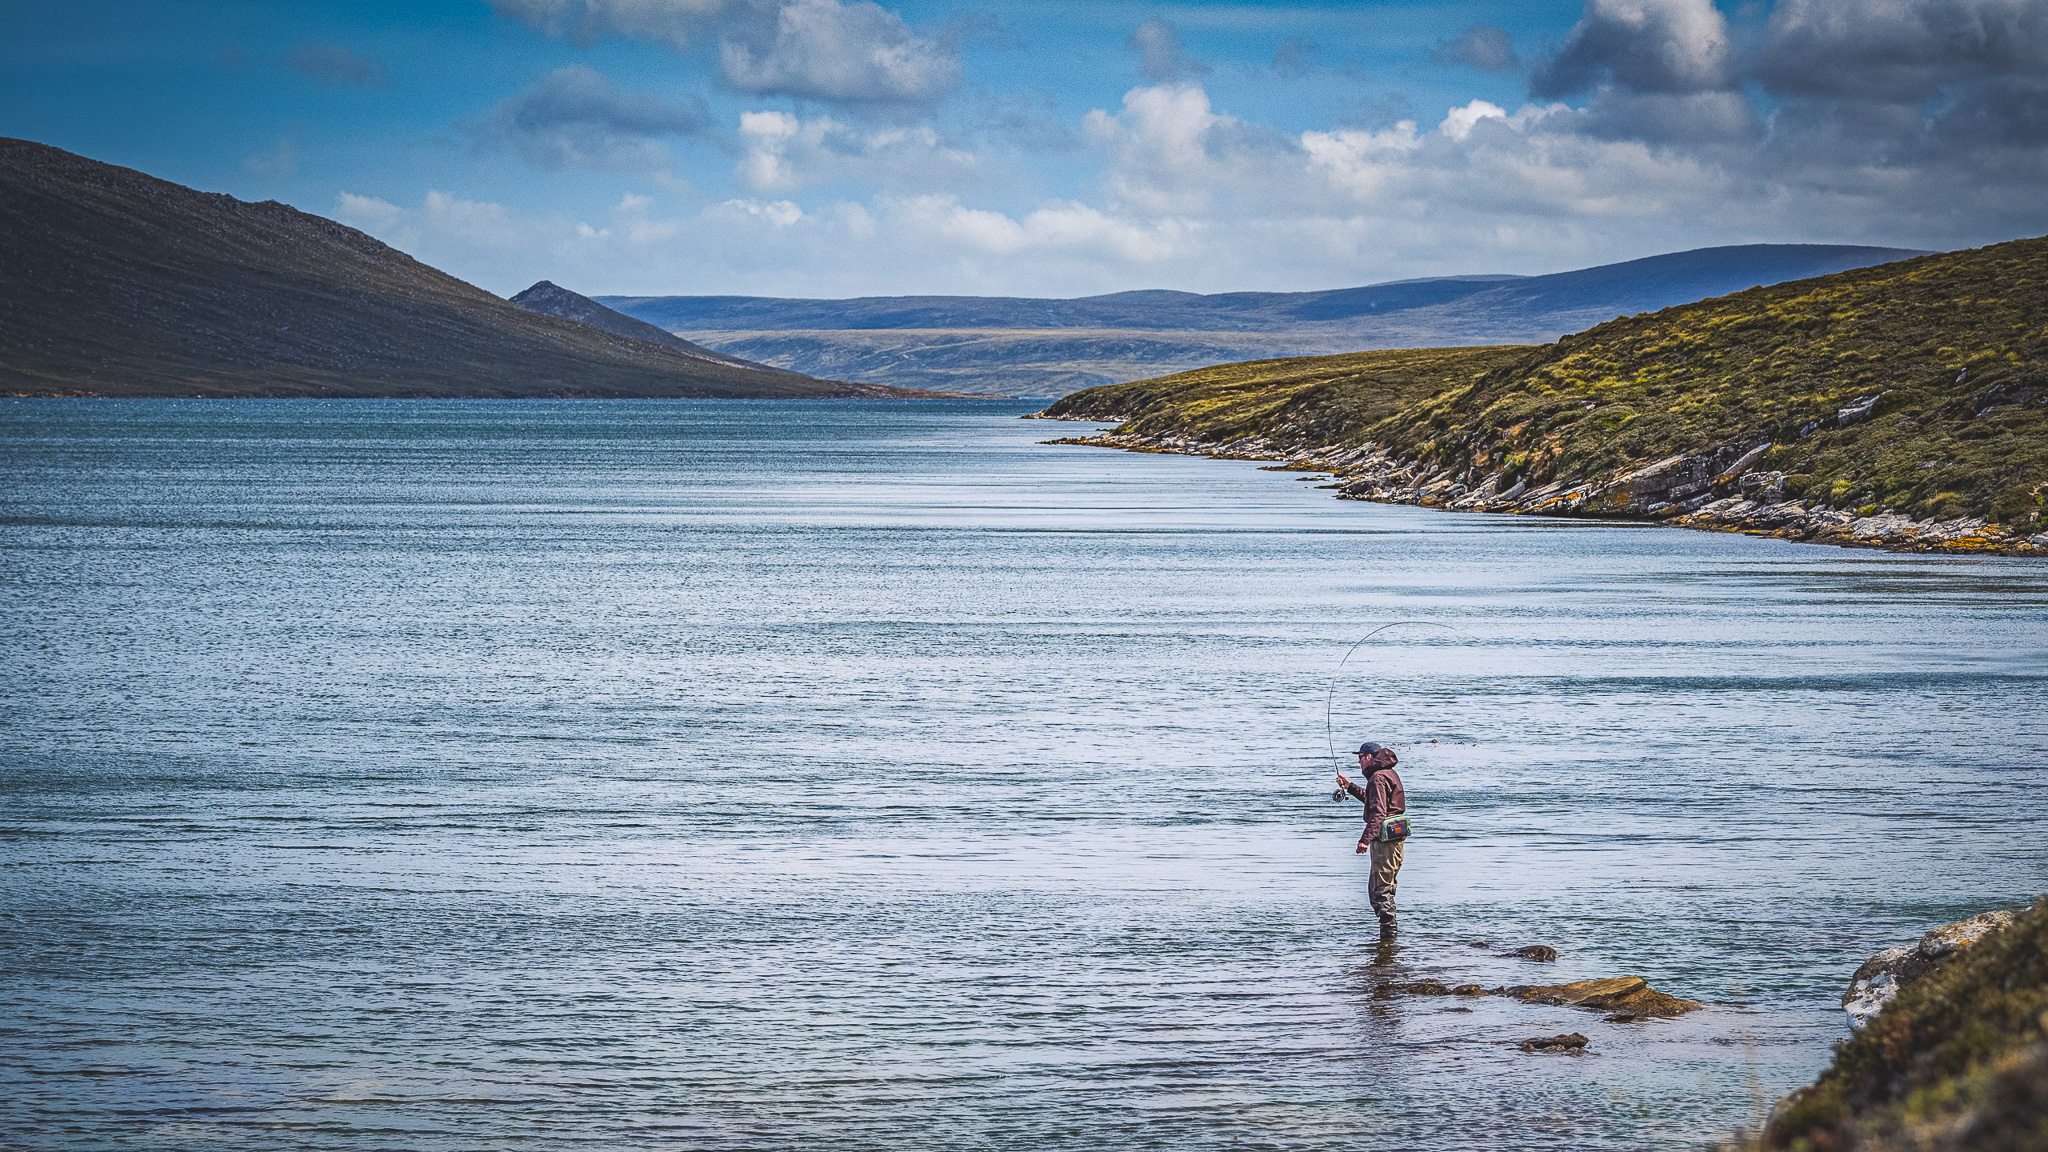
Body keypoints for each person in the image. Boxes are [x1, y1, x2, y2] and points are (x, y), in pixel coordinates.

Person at [1336, 741, 1409, 938]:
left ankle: (1389, 938)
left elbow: (1378, 813)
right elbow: (1374, 801)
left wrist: (1364, 840)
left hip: (1385, 843)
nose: (1359, 762)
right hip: (1394, 840)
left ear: (1369, 757)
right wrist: (1349, 786)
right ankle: (1388, 937)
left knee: (1380, 891)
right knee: (1385, 888)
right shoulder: (1387, 773)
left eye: (1360, 757)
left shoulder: (1377, 778)